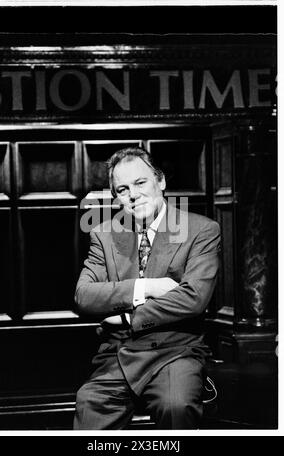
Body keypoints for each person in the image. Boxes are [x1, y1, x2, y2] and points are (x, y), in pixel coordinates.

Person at [73, 146, 220, 430]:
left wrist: (128, 318)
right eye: (122, 189)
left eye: (140, 183)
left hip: (177, 350)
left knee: (176, 406)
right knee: (89, 404)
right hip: (120, 352)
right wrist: (147, 286)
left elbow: (193, 298)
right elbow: (85, 296)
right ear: (116, 197)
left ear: (161, 181)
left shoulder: (201, 230)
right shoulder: (104, 235)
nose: (133, 194)